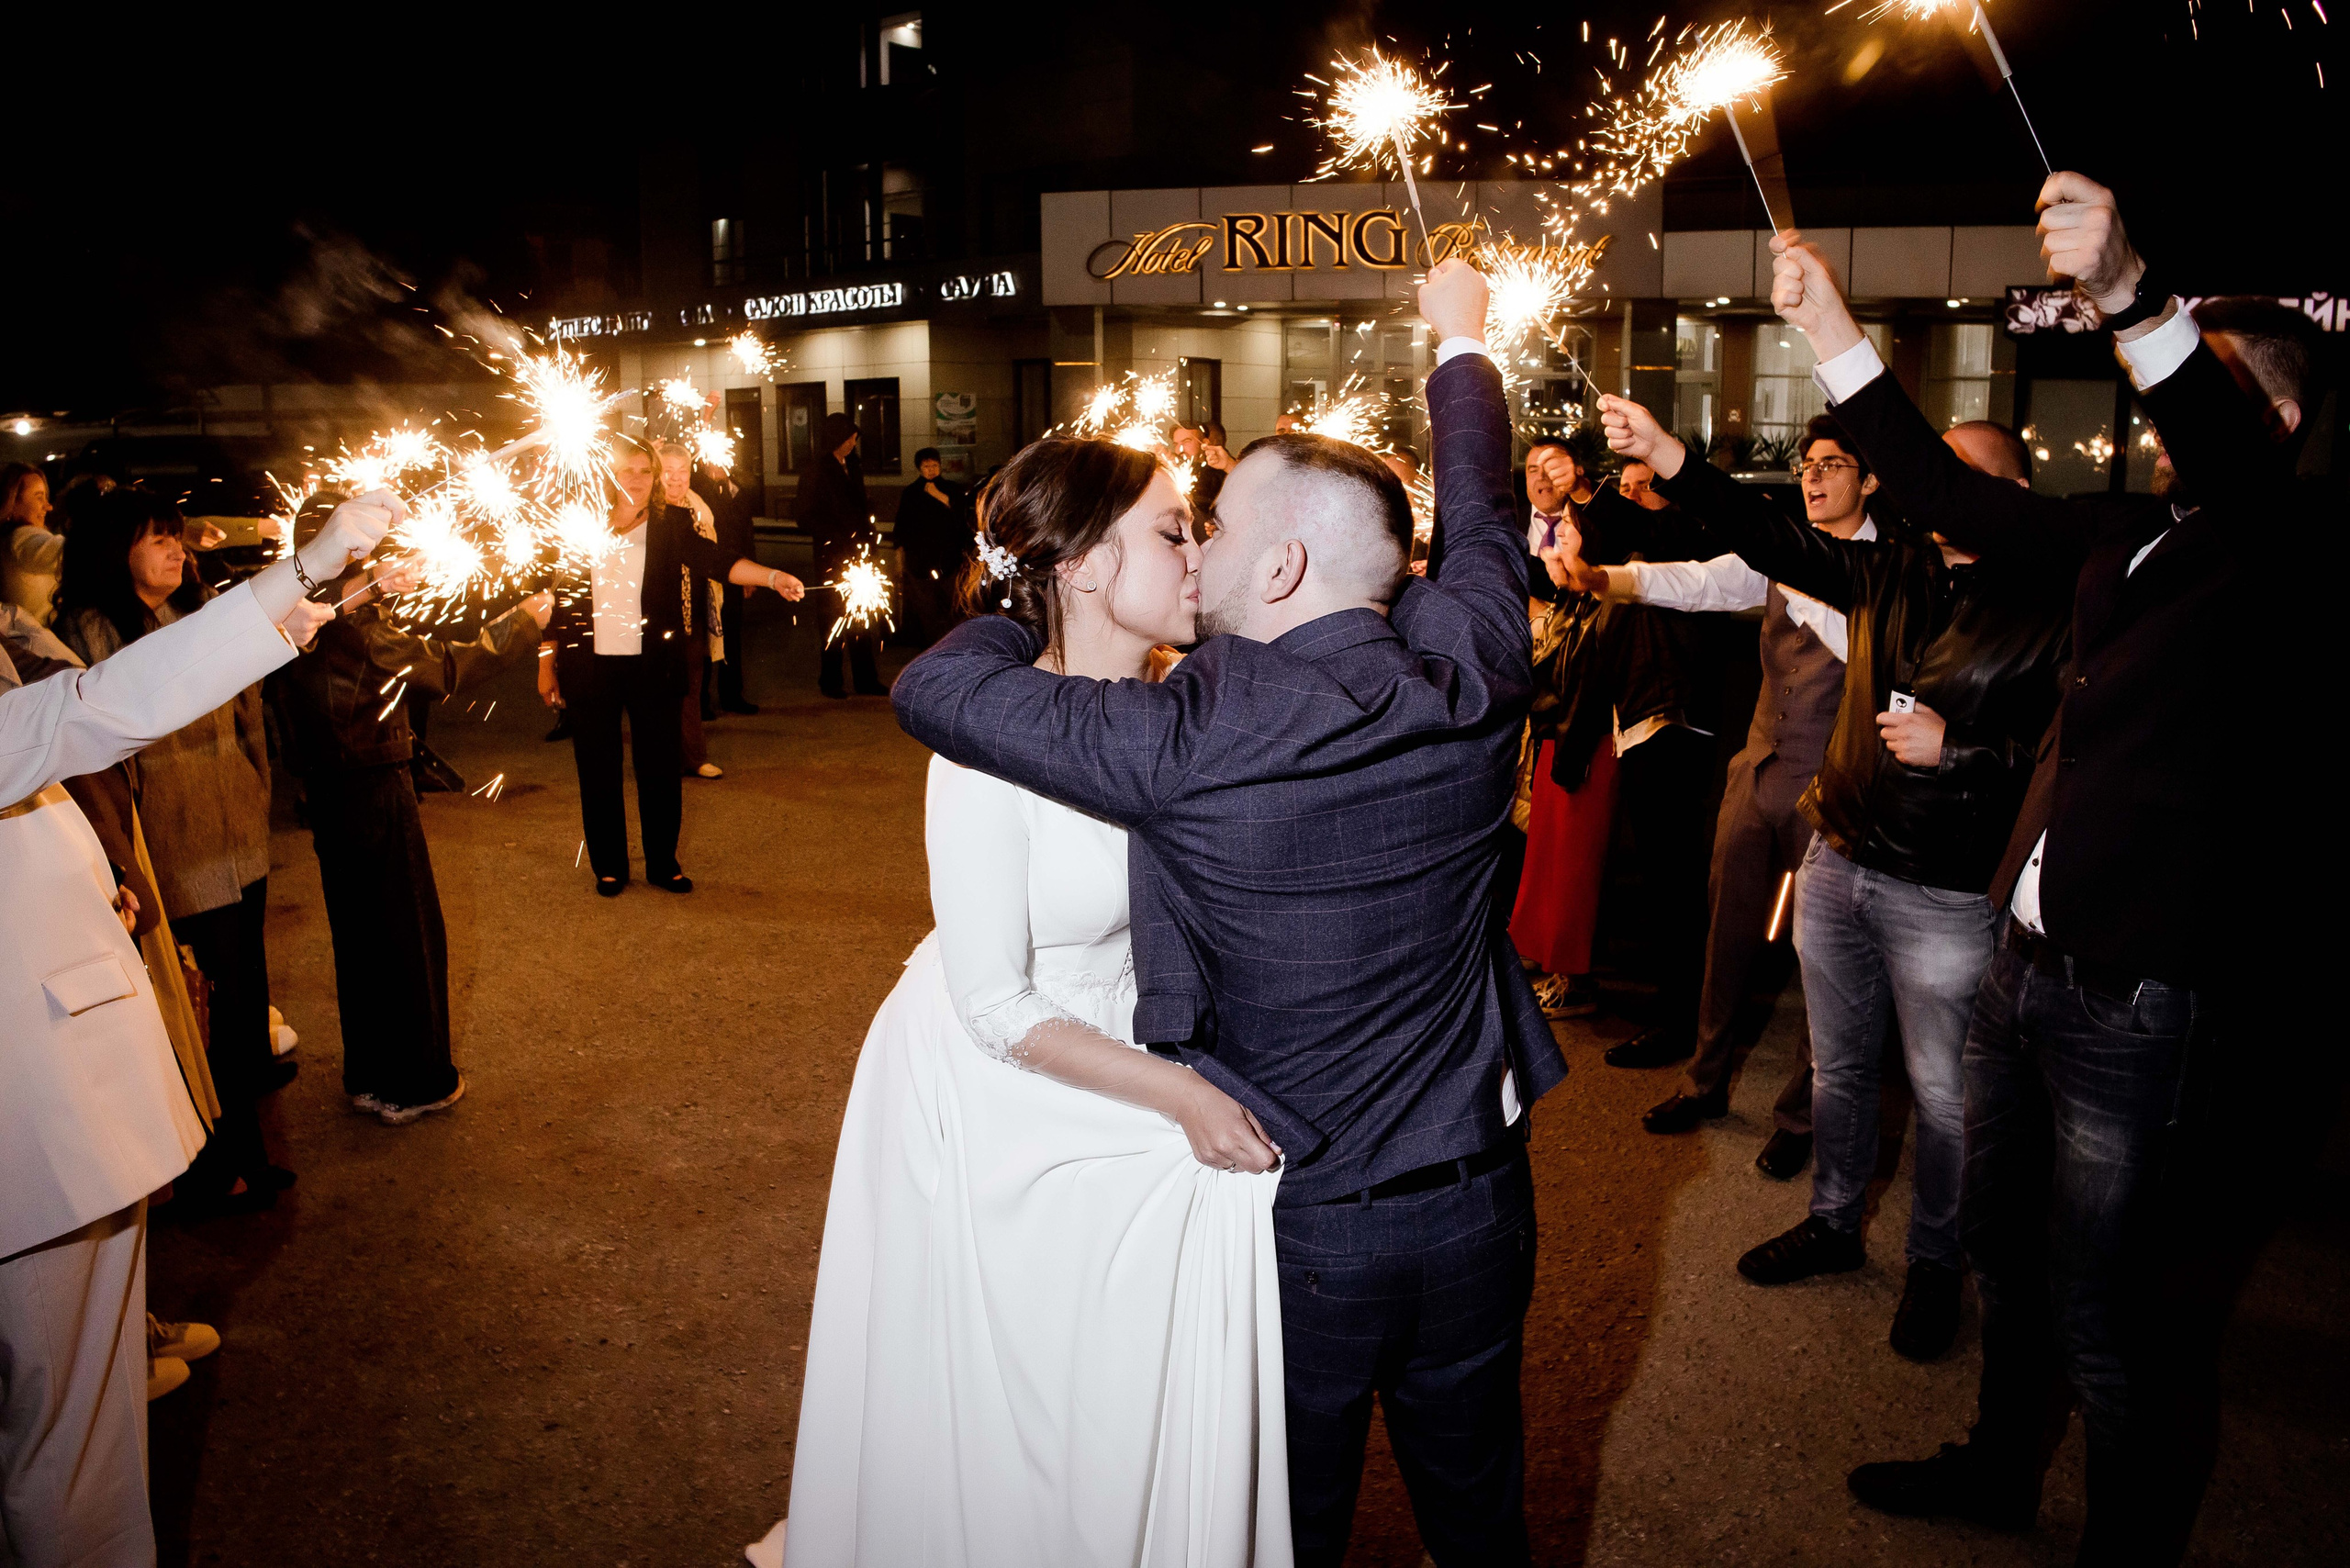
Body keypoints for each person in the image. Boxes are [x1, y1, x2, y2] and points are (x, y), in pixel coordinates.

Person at [891, 259, 1561, 1566]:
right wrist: (1463, 347)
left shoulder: (1182, 734)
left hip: (1297, 1217)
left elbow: (933, 693)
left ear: (1287, 562)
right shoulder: (1479, 665)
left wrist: (998, 608)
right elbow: (1479, 526)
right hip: (1482, 1199)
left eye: (1217, 531)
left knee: (1279, 1525)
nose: (1194, 552)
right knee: (1482, 1511)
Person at [1776, 179, 2327, 1562]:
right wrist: (1839, 338)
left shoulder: (2291, 552)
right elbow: (1951, 489)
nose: (2161, 409)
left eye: (2204, 384)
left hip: (2139, 1004)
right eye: (2164, 376)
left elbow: (2237, 462)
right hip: (2026, 966)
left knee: (2110, 1314)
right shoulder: (2131, 532)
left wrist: (2139, 298)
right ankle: (1996, 1471)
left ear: (2286, 418)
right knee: (2010, 1265)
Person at [767, 439, 1288, 1568]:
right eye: (1170, 530)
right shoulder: (987, 735)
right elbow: (993, 999)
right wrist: (1181, 1093)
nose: (1198, 555)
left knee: (1111, 1375)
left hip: (1125, 1058)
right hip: (997, 1072)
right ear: (1089, 566)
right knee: (1009, 1395)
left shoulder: (1186, 703)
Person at [1601, 378, 2073, 1366]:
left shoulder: (2049, 605)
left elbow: (2064, 759)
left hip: (1944, 890)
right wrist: (1674, 457)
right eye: (1932, 475)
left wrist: (1962, 753)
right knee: (1843, 1062)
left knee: (1946, 1097)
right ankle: (1830, 1221)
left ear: (2016, 494)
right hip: (1837, 851)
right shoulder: (1890, 568)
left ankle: (1938, 1266)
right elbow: (1760, 541)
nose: (1938, 495)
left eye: (1964, 479)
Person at [1, 489, 390, 1568]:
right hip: (28, 1116)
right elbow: (84, 711)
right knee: (69, 1446)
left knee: (72, 1413)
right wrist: (296, 579)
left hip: (48, 1080)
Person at [1549, 432, 1888, 1174]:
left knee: (1820, 959)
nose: (1813, 478)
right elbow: (1700, 583)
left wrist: (1799, 577)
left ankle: (1803, 1116)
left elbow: (1873, 652)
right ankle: (1704, 1082)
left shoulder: (1889, 564)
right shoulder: (1783, 546)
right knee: (1725, 938)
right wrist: (1606, 578)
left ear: (1868, 481)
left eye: (1831, 465)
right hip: (1757, 769)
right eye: (1806, 467)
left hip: (1834, 785)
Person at [53, 488, 297, 1210]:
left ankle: (243, 1153)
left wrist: (256, 786)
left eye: (177, 538)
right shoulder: (91, 632)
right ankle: (209, 1169)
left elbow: (250, 709)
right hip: (171, 848)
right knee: (195, 1010)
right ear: (114, 548)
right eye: (157, 538)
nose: (176, 550)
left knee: (242, 999)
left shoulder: (198, 614)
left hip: (234, 836)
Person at [278, 497, 551, 1125]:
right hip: (372, 788)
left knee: (362, 937)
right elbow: (445, 668)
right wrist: (522, 623)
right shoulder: (358, 630)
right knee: (406, 937)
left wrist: (384, 583)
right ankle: (414, 1082)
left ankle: (371, 1075)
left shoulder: (302, 609)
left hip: (330, 790)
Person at [538, 439, 800, 897]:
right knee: (597, 770)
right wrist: (546, 665)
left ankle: (663, 863)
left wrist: (772, 577)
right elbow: (552, 602)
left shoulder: (671, 522)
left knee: (658, 768)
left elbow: (716, 561)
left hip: (652, 666)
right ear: (607, 472)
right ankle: (609, 867)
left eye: (645, 470)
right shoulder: (577, 525)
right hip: (590, 668)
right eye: (627, 469)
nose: (637, 478)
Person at [798, 411, 884, 698]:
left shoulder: (853, 465)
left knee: (861, 616)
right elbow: (804, 516)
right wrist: (836, 534)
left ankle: (866, 680)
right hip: (831, 557)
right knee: (833, 619)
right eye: (849, 439)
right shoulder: (816, 469)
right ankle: (831, 680)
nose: (852, 445)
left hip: (859, 556)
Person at [656, 443, 726, 779]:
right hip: (656, 621)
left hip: (693, 615)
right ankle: (663, 757)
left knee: (691, 688)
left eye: (681, 472)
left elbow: (712, 558)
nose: (674, 479)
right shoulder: (646, 513)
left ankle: (695, 757)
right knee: (657, 692)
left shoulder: (700, 512)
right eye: (666, 471)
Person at [693, 456, 763, 713]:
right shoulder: (699, 491)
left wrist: (752, 573)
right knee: (706, 636)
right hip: (707, 574)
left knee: (731, 635)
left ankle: (732, 695)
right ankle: (700, 700)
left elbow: (747, 532)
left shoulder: (737, 491)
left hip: (735, 573)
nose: (718, 467)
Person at [891, 446, 967, 645]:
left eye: (935, 465)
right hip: (920, 562)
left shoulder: (951, 488)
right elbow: (902, 526)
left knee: (954, 606)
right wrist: (899, 555)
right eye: (926, 466)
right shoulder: (911, 492)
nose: (931, 470)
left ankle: (956, 644)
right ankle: (932, 646)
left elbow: (962, 516)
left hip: (949, 559)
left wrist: (939, 495)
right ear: (919, 468)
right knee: (927, 609)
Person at [2, 462, 62, 625]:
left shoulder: (9, 542)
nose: (48, 507)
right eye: (38, 497)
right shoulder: (22, 538)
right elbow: (69, 552)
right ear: (12, 504)